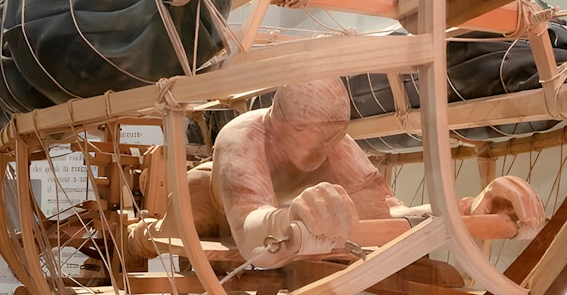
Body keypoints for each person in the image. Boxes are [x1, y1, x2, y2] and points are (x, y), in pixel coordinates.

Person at [187, 78, 545, 268]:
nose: (320, 153)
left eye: (329, 142)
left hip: (271, 222)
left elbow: (389, 212)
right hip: (204, 207)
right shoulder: (244, 138)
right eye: (306, 140)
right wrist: (285, 221)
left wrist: (466, 209)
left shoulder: (331, 140)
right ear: (278, 122)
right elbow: (250, 230)